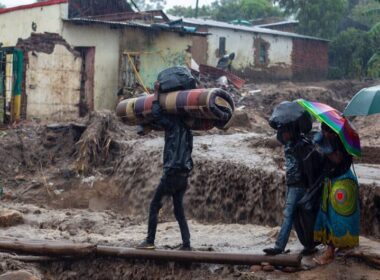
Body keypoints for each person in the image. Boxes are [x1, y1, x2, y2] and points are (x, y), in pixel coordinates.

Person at [137, 82, 193, 251]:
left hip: (172, 173)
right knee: (178, 210)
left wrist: (155, 93)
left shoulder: (172, 125)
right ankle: (186, 243)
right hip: (184, 175)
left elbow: (156, 113)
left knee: (155, 205)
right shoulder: (188, 130)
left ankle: (149, 241)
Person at [263, 122, 320, 255]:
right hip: (292, 184)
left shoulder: (301, 145)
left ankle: (279, 247)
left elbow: (307, 166)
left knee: (289, 215)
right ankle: (309, 245)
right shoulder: (290, 143)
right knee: (296, 217)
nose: (283, 134)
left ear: (292, 130)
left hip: (299, 185)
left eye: (285, 131)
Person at [313, 123, 360, 265]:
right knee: (331, 215)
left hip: (342, 184)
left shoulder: (338, 142)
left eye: (325, 130)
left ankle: (329, 253)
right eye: (323, 130)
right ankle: (342, 244)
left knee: (335, 218)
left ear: (331, 131)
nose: (324, 132)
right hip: (336, 181)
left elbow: (337, 159)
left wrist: (325, 149)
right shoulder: (339, 139)